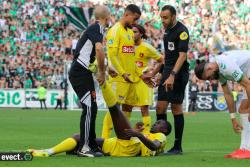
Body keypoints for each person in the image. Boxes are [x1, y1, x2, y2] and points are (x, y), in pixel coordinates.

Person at [28, 83, 172, 157]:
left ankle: (102, 82)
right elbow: (142, 138)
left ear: (165, 130)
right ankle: (49, 151)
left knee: (115, 109)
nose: (155, 123)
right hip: (116, 144)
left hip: (128, 148)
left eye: (159, 123)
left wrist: (139, 134)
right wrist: (138, 131)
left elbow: (153, 146)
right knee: (79, 138)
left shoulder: (161, 136)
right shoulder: (150, 132)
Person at [101, 24, 163, 137]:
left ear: (141, 34)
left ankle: (146, 134)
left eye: (135, 32)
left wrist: (152, 73)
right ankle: (126, 133)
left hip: (142, 80)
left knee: (144, 107)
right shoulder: (126, 46)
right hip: (127, 79)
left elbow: (162, 60)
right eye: (131, 31)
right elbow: (112, 55)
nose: (132, 34)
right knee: (126, 106)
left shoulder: (147, 47)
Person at [68, 5, 111, 157]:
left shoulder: (94, 29)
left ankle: (91, 145)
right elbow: (99, 50)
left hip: (82, 72)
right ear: (107, 17)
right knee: (89, 108)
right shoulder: (98, 27)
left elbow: (90, 56)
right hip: (80, 72)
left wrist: (105, 68)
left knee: (92, 108)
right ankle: (84, 147)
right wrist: (102, 72)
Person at [194, 50, 250, 159]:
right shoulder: (219, 69)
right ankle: (244, 148)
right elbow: (227, 94)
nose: (211, 80)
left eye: (208, 77)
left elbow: (247, 85)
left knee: (245, 109)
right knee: (243, 110)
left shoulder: (226, 66)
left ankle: (247, 149)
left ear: (209, 69)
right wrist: (233, 118)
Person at [154, 5, 189, 155]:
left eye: (165, 17)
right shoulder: (166, 31)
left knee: (176, 108)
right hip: (168, 72)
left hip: (178, 74)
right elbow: (167, 56)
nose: (162, 20)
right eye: (161, 17)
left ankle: (177, 146)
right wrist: (161, 73)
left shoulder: (182, 31)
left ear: (173, 16)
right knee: (160, 107)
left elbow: (182, 56)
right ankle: (159, 142)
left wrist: (172, 75)